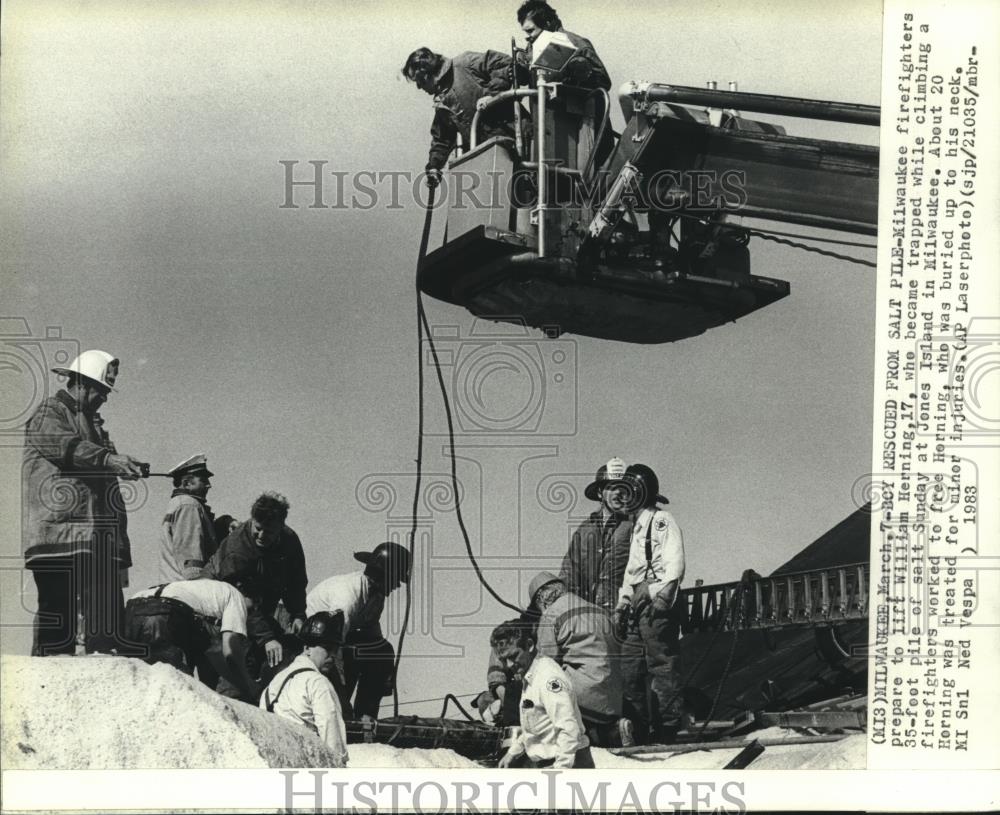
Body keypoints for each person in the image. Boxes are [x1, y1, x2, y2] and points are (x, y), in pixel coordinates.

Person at [22, 350, 146, 656]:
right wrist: (108, 459)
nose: (105, 398)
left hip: (91, 540)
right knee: (57, 627)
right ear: (82, 383)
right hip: (57, 537)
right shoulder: (49, 413)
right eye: (102, 391)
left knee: (105, 626)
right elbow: (65, 447)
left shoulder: (93, 426)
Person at [201, 491, 308, 686]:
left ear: (281, 527)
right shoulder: (237, 547)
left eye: (269, 531)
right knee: (240, 662)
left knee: (287, 651)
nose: (261, 535)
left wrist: (298, 614)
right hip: (221, 612)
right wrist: (266, 638)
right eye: (257, 528)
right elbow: (241, 602)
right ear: (252, 520)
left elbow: (296, 582)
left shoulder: (289, 540)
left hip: (258, 609)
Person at [613, 463, 685, 744]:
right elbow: (632, 572)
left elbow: (674, 564)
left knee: (662, 666)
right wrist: (622, 605)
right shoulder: (637, 528)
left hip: (656, 607)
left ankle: (668, 727)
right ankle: (639, 728)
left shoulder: (662, 520)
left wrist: (660, 596)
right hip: (636, 609)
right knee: (630, 668)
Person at [305, 541, 411, 720]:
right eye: (395, 579)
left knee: (382, 651)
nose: (397, 586)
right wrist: (342, 699)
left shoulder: (376, 596)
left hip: (344, 638)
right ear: (382, 575)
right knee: (343, 674)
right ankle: (342, 714)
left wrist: (384, 672)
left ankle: (366, 716)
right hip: (317, 639)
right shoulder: (348, 596)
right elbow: (333, 646)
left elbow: (372, 635)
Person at [528, 571, 632, 747]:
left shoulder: (551, 615)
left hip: (582, 701)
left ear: (541, 598)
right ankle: (613, 731)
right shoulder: (599, 611)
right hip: (614, 701)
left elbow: (545, 664)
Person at [124, 577, 262, 701]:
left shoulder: (203, 590)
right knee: (179, 688)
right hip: (164, 613)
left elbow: (213, 652)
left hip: (132, 610)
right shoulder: (236, 596)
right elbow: (230, 651)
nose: (248, 614)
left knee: (145, 685)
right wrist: (249, 686)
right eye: (251, 609)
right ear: (250, 598)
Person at [515, 0, 613, 174]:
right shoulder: (531, 49)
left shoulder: (576, 43)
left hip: (580, 135)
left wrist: (572, 77)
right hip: (549, 135)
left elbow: (603, 82)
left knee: (584, 189)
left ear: (547, 24)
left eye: (531, 30)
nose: (527, 37)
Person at [401, 47, 517, 187]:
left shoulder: (465, 63)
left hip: (517, 140)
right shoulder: (442, 104)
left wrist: (491, 95)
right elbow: (442, 138)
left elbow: (503, 63)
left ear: (426, 74)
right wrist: (434, 167)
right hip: (490, 157)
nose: (419, 87)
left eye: (419, 82)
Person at [492, 618, 594, 769]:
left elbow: (568, 727)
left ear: (529, 645)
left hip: (569, 763)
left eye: (513, 656)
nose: (509, 665)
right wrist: (512, 753)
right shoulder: (531, 675)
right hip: (551, 762)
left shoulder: (548, 678)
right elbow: (535, 726)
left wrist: (561, 769)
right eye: (504, 659)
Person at [261, 611, 349, 769]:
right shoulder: (317, 682)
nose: (333, 655)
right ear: (307, 647)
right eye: (328, 648)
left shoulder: (272, 685)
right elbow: (333, 741)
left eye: (336, 650)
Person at [558, 457, 633, 612]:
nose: (619, 492)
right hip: (591, 616)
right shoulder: (584, 531)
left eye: (623, 487)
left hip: (626, 615)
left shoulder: (636, 525)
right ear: (600, 493)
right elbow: (569, 574)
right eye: (612, 487)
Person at [158, 454, 218, 582]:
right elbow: (191, 558)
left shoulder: (178, 503)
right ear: (186, 483)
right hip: (186, 588)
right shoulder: (189, 505)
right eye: (203, 480)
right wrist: (198, 586)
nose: (209, 485)